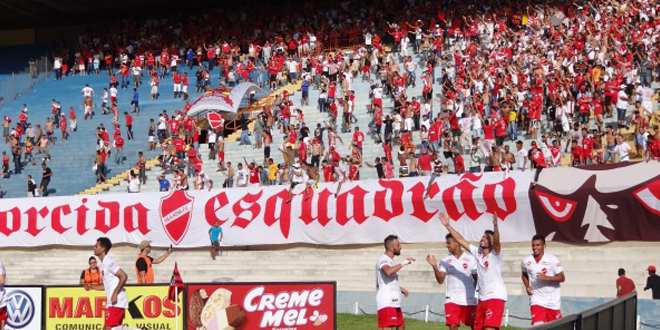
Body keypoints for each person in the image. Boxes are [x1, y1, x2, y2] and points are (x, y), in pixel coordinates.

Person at [439, 212, 506, 330]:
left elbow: (497, 243)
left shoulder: (495, 254)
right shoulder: (478, 252)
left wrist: (495, 226)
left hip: (495, 296)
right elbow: (460, 239)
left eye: (487, 237)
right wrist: (447, 225)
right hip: (482, 298)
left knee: (489, 328)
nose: (483, 238)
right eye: (483, 236)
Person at [426, 234, 477, 330]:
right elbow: (440, 280)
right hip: (452, 299)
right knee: (453, 326)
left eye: (449, 243)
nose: (447, 246)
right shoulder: (445, 260)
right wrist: (434, 266)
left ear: (457, 243)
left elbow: (476, 279)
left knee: (475, 326)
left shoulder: (471, 259)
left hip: (469, 299)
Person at [85, 237, 128, 330]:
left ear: (103, 249)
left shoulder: (108, 261)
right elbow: (106, 286)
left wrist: (115, 293)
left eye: (96, 246)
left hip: (116, 303)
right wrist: (91, 286)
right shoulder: (103, 264)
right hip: (112, 303)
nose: (94, 247)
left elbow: (124, 276)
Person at [521, 235, 565, 325]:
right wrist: (527, 286)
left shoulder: (552, 259)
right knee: (538, 326)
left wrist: (547, 278)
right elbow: (524, 274)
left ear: (544, 246)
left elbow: (562, 278)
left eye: (538, 245)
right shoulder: (526, 260)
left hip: (553, 302)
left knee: (554, 327)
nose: (535, 248)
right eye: (533, 245)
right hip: (536, 300)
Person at [376, 235, 414, 330]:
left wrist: (400, 288)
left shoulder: (390, 261)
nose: (400, 247)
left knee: (401, 326)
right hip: (386, 301)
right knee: (388, 327)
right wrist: (404, 263)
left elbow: (387, 280)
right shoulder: (383, 259)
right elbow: (388, 271)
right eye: (398, 245)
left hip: (394, 301)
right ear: (391, 248)